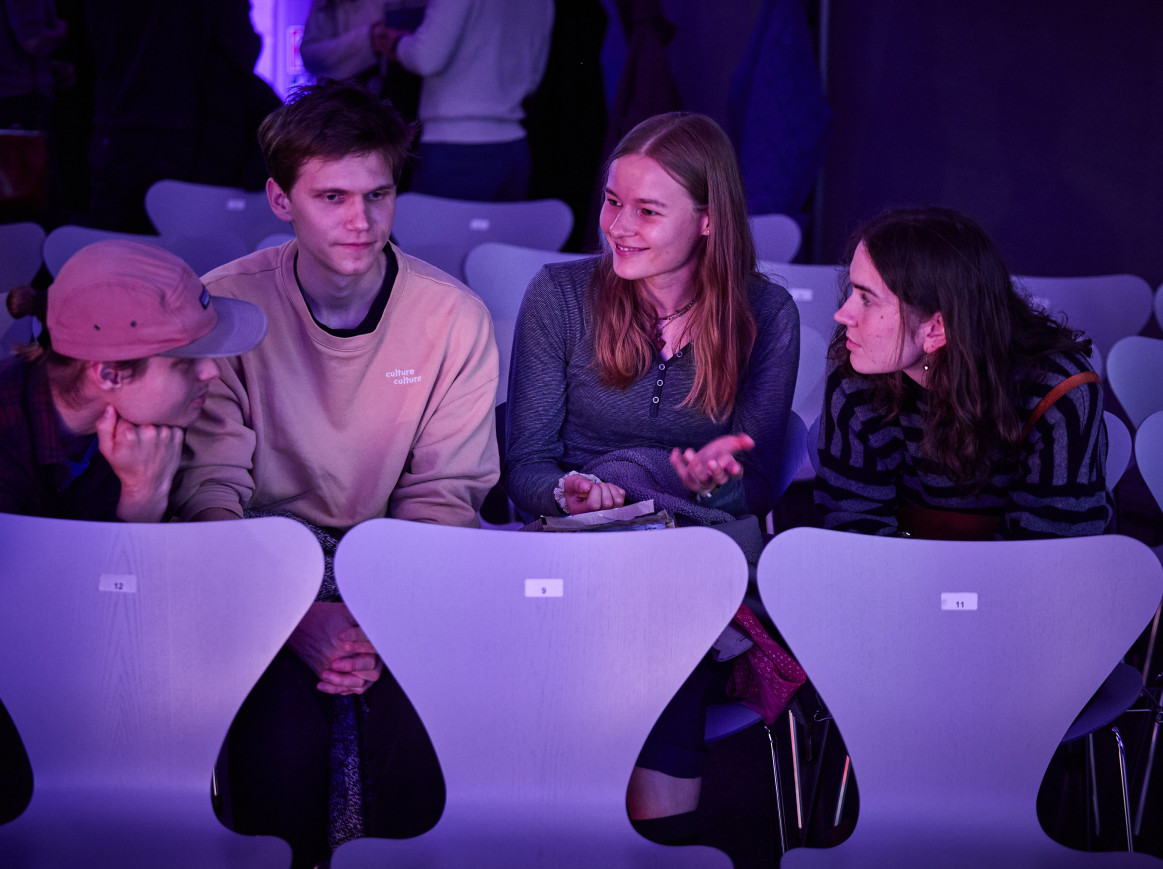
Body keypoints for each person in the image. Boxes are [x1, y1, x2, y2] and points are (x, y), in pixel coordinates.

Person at [171, 79, 499, 868]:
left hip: (400, 573)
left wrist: (379, 613)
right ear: (281, 200)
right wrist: (292, 618)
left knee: (417, 756)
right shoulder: (225, 303)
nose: (360, 221)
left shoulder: (453, 316)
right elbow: (211, 491)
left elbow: (446, 492)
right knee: (275, 748)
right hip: (261, 574)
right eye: (332, 197)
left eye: (377, 194)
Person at [502, 111, 800, 842]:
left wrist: (693, 483)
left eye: (646, 210)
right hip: (574, 546)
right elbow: (527, 465)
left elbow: (754, 485)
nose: (618, 226)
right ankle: (650, 836)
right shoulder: (559, 296)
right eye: (611, 200)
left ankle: (598, 831)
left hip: (694, 550)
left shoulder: (766, 313)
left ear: (706, 220)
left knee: (665, 590)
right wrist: (569, 492)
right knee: (644, 601)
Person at [0, 237, 266, 823]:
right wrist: (141, 507)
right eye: (185, 360)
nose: (210, 373)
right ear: (109, 372)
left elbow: (145, 632)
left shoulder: (146, 431)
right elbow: (46, 651)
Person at [815, 206, 1110, 539]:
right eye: (852, 291)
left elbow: (1049, 553)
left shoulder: (1060, 393)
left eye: (867, 299)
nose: (843, 314)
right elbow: (853, 532)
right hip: (901, 579)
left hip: (1022, 584)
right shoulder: (858, 376)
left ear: (937, 329)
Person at [379, 0, 553, 201]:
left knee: (436, 231)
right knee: (500, 232)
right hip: (513, 147)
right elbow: (533, 79)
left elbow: (426, 58)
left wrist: (396, 43)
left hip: (455, 146)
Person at [301, 0, 426, 123]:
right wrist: (367, 39)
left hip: (414, 94)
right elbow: (311, 56)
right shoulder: (328, 6)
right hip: (350, 101)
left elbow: (431, 50)